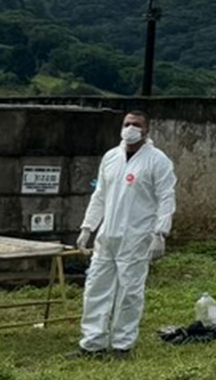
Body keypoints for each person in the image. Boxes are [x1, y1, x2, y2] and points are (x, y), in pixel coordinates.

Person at [75, 110, 176, 358]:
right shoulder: (111, 157)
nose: (130, 128)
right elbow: (99, 195)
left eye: (136, 124)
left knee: (129, 292)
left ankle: (122, 344)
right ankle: (92, 343)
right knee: (96, 288)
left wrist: (160, 233)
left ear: (146, 130)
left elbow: (166, 197)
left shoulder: (157, 160)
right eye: (127, 123)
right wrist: (88, 227)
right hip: (107, 235)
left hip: (136, 237)